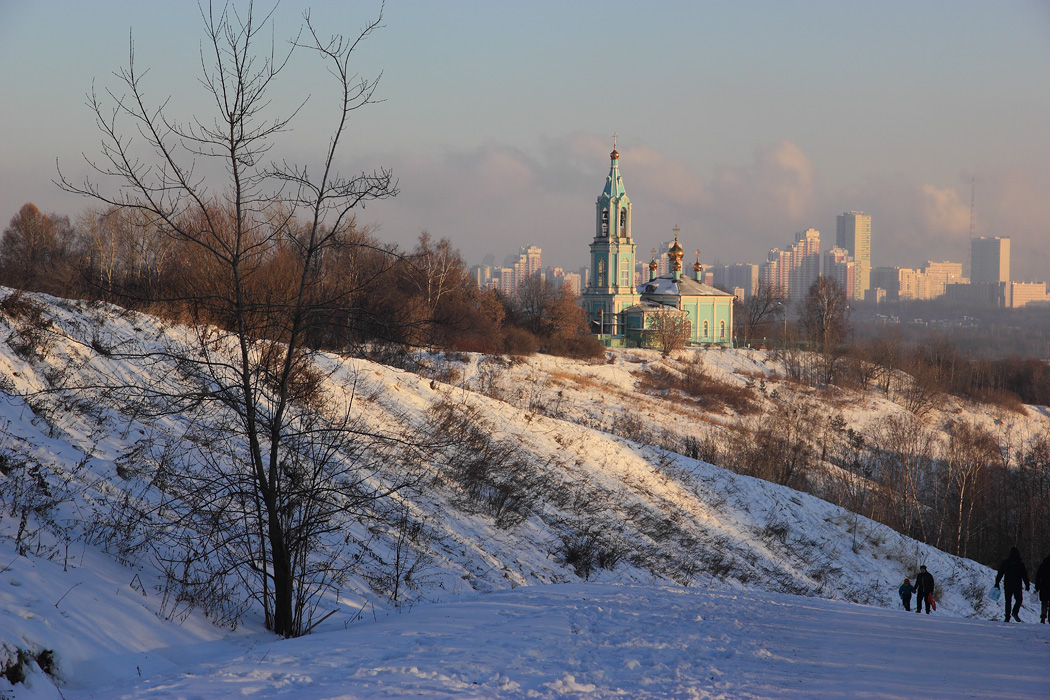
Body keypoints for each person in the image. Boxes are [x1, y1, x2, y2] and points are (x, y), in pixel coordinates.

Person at [994, 546, 1030, 623]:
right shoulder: (1020, 564)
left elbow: (1000, 573)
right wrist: (1027, 585)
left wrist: (997, 582)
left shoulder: (1005, 563)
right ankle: (1015, 612)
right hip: (1017, 585)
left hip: (1008, 584)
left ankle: (1007, 617)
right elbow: (1024, 575)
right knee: (1019, 599)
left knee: (1008, 601)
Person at [1033, 552, 1050, 624]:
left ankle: (1043, 616)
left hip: (1044, 585)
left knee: (1044, 602)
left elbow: (1038, 576)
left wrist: (1037, 586)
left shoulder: (1043, 565)